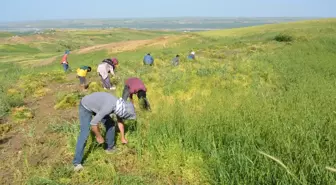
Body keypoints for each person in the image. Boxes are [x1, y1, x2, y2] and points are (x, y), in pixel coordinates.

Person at [73, 92, 136, 171]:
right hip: (86, 106)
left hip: (99, 106)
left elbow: (120, 121)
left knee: (111, 123)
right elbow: (93, 123)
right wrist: (98, 136)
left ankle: (110, 148)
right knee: (84, 133)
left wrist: (123, 137)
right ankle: (77, 163)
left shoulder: (120, 106)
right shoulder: (110, 107)